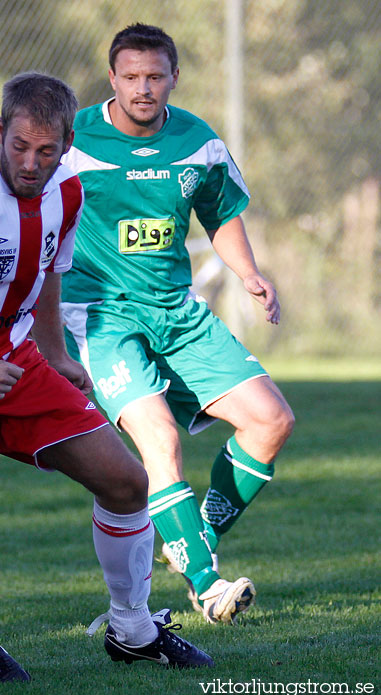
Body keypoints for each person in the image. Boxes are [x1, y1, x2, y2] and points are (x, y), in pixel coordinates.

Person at [0, 72, 213, 683]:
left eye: (46, 150)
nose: (30, 163)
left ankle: (132, 630)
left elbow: (50, 274)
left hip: (10, 360)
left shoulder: (69, 192)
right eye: (19, 146)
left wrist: (53, 354)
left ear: (66, 144)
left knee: (129, 483)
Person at [60, 24, 295, 625]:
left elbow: (220, 210)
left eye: (155, 76)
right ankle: (206, 583)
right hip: (100, 316)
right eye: (131, 76)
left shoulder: (198, 141)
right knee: (159, 441)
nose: (143, 88)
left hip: (177, 310)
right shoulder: (73, 139)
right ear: (111, 78)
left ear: (174, 77)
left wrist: (248, 274)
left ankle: (194, 536)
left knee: (270, 421)